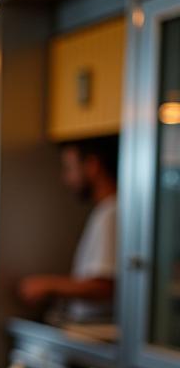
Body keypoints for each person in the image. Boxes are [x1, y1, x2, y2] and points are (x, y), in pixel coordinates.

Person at [17, 136, 118, 321]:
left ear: (92, 165)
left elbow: (104, 286)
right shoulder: (106, 211)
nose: (66, 179)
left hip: (96, 330)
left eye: (69, 168)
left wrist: (47, 285)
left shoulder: (111, 213)